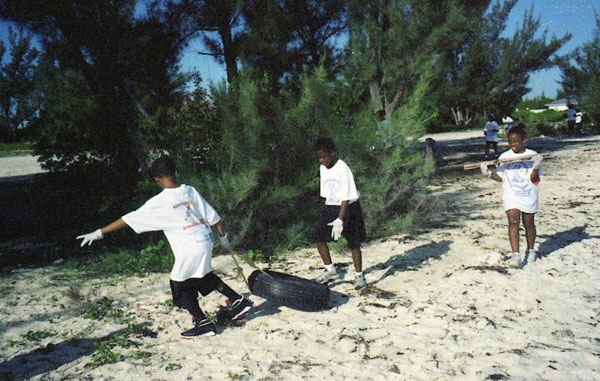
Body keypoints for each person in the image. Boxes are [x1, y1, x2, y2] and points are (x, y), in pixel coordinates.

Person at [76, 157, 252, 338]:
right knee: (202, 275)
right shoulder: (189, 190)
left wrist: (99, 232)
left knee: (178, 283)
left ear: (156, 179)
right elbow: (214, 217)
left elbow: (128, 219)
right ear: (176, 172)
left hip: (189, 247)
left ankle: (202, 322)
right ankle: (238, 301)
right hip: (206, 239)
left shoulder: (158, 202)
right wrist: (223, 237)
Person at [480, 124, 543, 268]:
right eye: (510, 142)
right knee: (513, 222)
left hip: (528, 193)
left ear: (523, 140)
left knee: (529, 224)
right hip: (511, 194)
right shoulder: (505, 157)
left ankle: (531, 250)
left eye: (516, 141)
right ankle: (516, 254)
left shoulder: (533, 155)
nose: (513, 144)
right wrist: (488, 173)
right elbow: (501, 177)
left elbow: (535, 179)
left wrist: (536, 165)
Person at [312, 138, 367, 289]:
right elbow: (327, 194)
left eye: (324, 157)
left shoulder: (343, 168)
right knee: (318, 235)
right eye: (319, 158)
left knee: (353, 242)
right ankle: (330, 269)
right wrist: (329, 214)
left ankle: (359, 275)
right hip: (332, 206)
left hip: (349, 207)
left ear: (332, 153)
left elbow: (346, 197)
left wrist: (340, 220)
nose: (322, 160)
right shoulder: (323, 168)